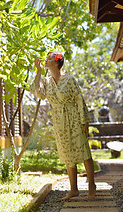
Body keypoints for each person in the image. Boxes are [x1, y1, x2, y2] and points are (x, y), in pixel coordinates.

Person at [30, 51, 96, 200]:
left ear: (57, 62)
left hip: (74, 117)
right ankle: (74, 189)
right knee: (67, 152)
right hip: (59, 119)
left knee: (84, 151)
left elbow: (79, 99)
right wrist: (39, 72)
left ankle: (92, 186)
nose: (45, 60)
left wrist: (85, 120)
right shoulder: (46, 81)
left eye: (49, 59)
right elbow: (36, 91)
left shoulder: (69, 79)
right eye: (46, 59)